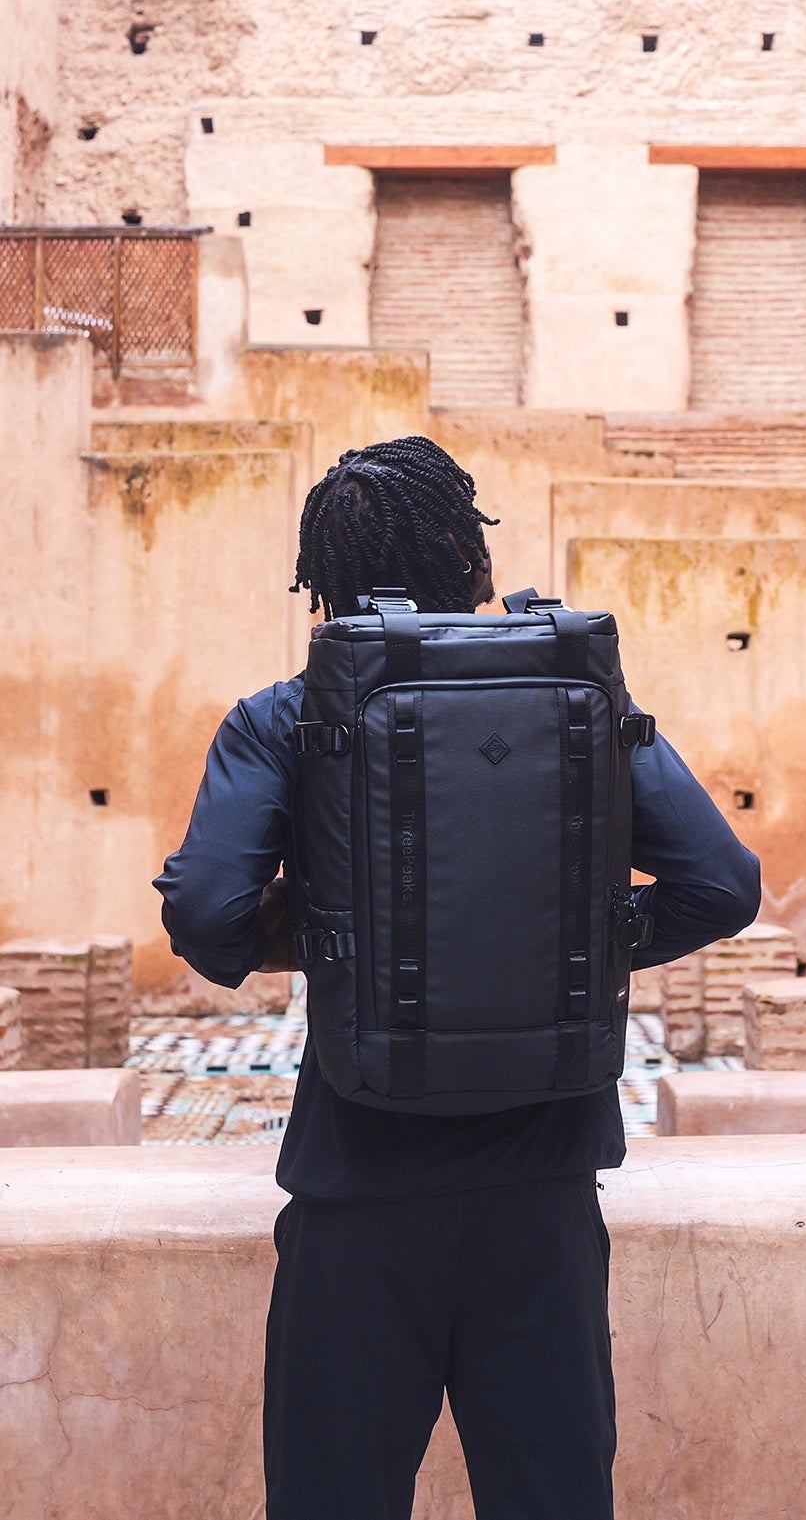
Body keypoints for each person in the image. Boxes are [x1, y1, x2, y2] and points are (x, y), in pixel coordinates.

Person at [156, 435, 761, 1520]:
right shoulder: (578, 691)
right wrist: (581, 934)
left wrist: (338, 935)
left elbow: (208, 916)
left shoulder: (284, 716)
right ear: (472, 559)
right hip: (542, 1201)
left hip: (357, 1197)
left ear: (323, 584)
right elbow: (721, 883)